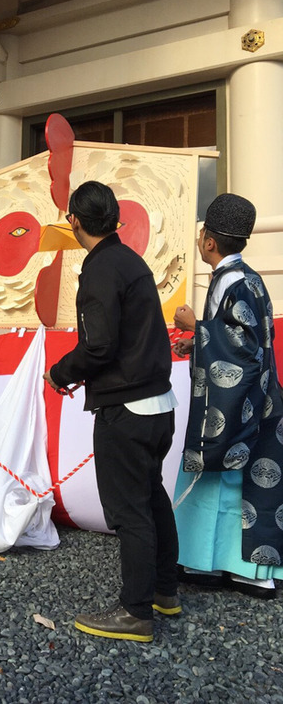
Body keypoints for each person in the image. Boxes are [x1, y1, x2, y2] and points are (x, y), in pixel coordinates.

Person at [43, 181, 179, 642]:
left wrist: (60, 373)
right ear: (115, 218)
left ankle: (135, 612)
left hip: (128, 407)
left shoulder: (100, 269)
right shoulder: (132, 261)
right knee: (151, 495)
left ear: (74, 221)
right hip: (159, 403)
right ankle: (164, 591)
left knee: (129, 510)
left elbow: (99, 346)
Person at [173, 193, 283, 598]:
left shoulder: (230, 281)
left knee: (225, 473)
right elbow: (242, 340)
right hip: (257, 394)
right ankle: (213, 562)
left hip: (239, 401)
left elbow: (241, 348)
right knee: (233, 480)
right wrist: (198, 341)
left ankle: (246, 569)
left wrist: (196, 326)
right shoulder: (247, 277)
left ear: (208, 242)